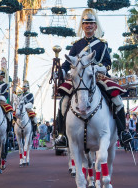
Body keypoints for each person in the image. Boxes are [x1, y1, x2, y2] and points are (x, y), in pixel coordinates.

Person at [53, 9, 133, 148]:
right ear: (82, 26)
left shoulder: (102, 44)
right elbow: (67, 63)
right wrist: (60, 72)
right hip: (79, 78)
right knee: (64, 101)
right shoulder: (76, 45)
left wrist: (99, 68)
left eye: (91, 23)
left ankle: (122, 132)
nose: (88, 26)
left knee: (117, 100)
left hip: (98, 77)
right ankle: (62, 135)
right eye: (86, 23)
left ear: (95, 27)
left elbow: (108, 64)